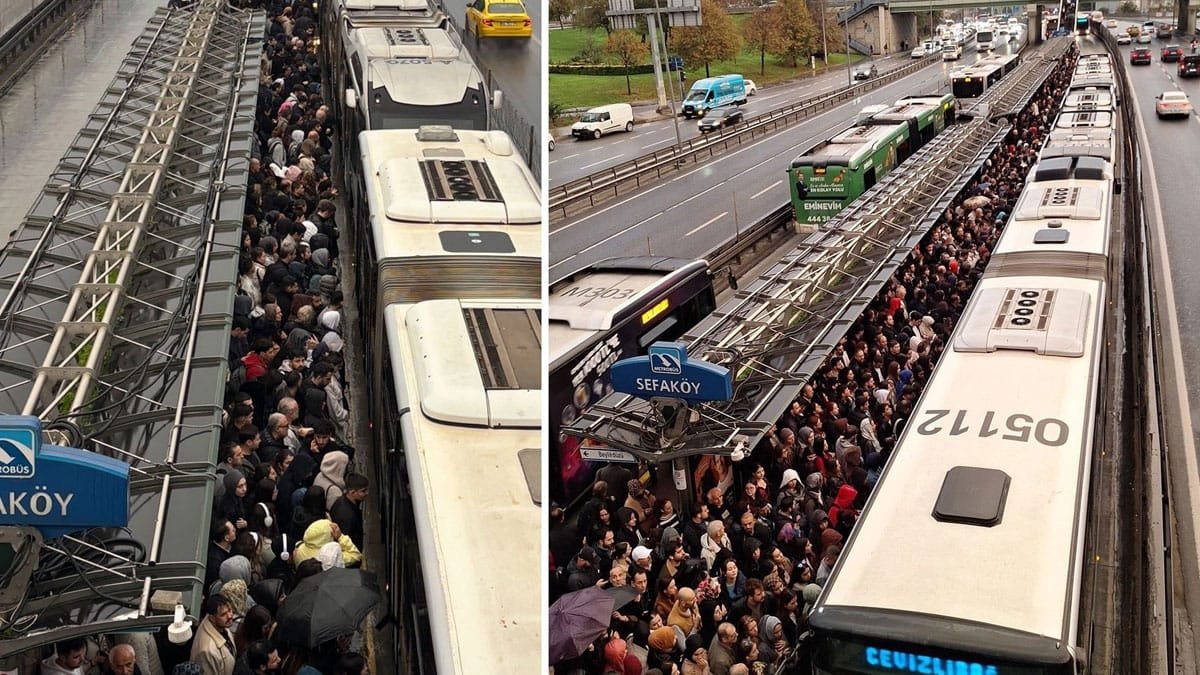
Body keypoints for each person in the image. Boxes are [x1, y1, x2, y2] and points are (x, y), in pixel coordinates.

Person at [190, 595, 238, 675]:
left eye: (229, 610)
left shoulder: (221, 624)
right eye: (223, 614)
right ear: (212, 618)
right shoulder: (207, 651)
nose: (230, 616)